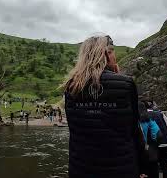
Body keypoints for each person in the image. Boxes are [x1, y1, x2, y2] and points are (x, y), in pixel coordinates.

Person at [63, 35, 147, 178]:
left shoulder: (71, 87)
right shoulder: (126, 84)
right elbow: (134, 130)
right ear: (106, 54)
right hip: (121, 168)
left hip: (81, 168)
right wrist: (143, 167)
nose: (115, 56)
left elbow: (75, 130)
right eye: (113, 51)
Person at [145, 101, 167, 178]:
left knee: (154, 165)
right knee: (164, 165)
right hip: (166, 143)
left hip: (154, 144)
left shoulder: (144, 116)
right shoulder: (160, 114)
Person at [138, 101, 161, 178]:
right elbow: (156, 131)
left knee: (144, 169)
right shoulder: (149, 118)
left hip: (144, 148)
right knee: (154, 166)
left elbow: (141, 135)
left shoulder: (139, 119)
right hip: (153, 146)